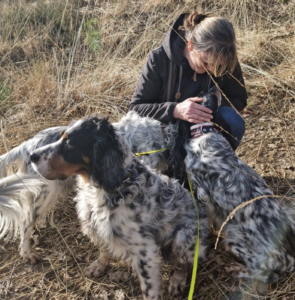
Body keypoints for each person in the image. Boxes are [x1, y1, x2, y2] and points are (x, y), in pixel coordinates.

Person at [128, 11, 247, 150]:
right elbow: (135, 109)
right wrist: (175, 110)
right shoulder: (159, 59)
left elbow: (240, 98)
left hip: (205, 130)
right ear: (191, 45)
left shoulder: (225, 57)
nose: (212, 70)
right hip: (167, 131)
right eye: (206, 62)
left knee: (233, 120)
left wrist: (218, 101)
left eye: (218, 66)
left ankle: (215, 165)